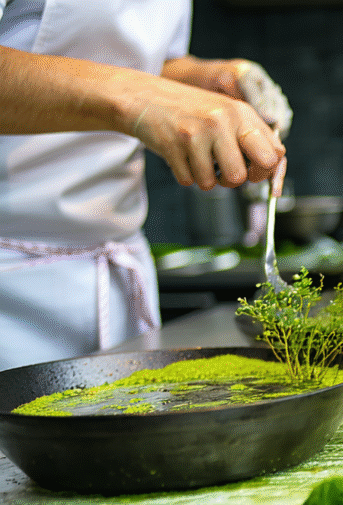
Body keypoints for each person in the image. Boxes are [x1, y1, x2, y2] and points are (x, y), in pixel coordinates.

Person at [0, 1, 292, 371]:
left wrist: (203, 80)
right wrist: (139, 98)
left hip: (115, 273)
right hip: (9, 293)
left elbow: (138, 61)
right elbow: (131, 86)